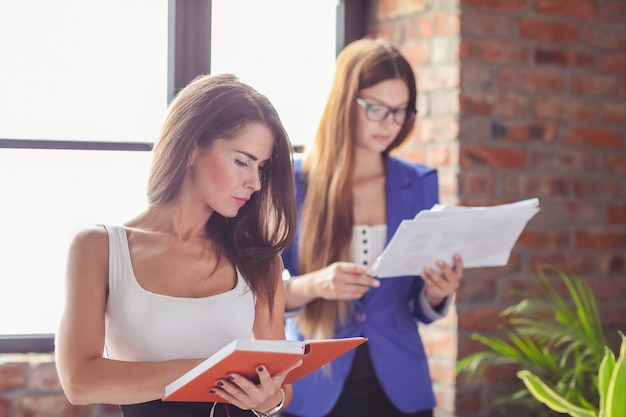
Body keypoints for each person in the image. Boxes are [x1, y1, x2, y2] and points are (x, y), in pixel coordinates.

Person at [55, 73, 302, 417]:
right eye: (242, 161)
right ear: (190, 148)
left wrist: (270, 402)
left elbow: (279, 382)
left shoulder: (258, 259)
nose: (255, 183)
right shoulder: (99, 248)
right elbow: (80, 381)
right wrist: (211, 369)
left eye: (261, 167)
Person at [278, 38, 465, 417]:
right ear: (345, 103)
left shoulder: (420, 182)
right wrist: (317, 284)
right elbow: (259, 296)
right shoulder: (292, 182)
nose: (390, 124)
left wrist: (435, 294)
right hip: (314, 382)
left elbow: (417, 304)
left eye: (401, 111)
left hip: (400, 385)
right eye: (376, 108)